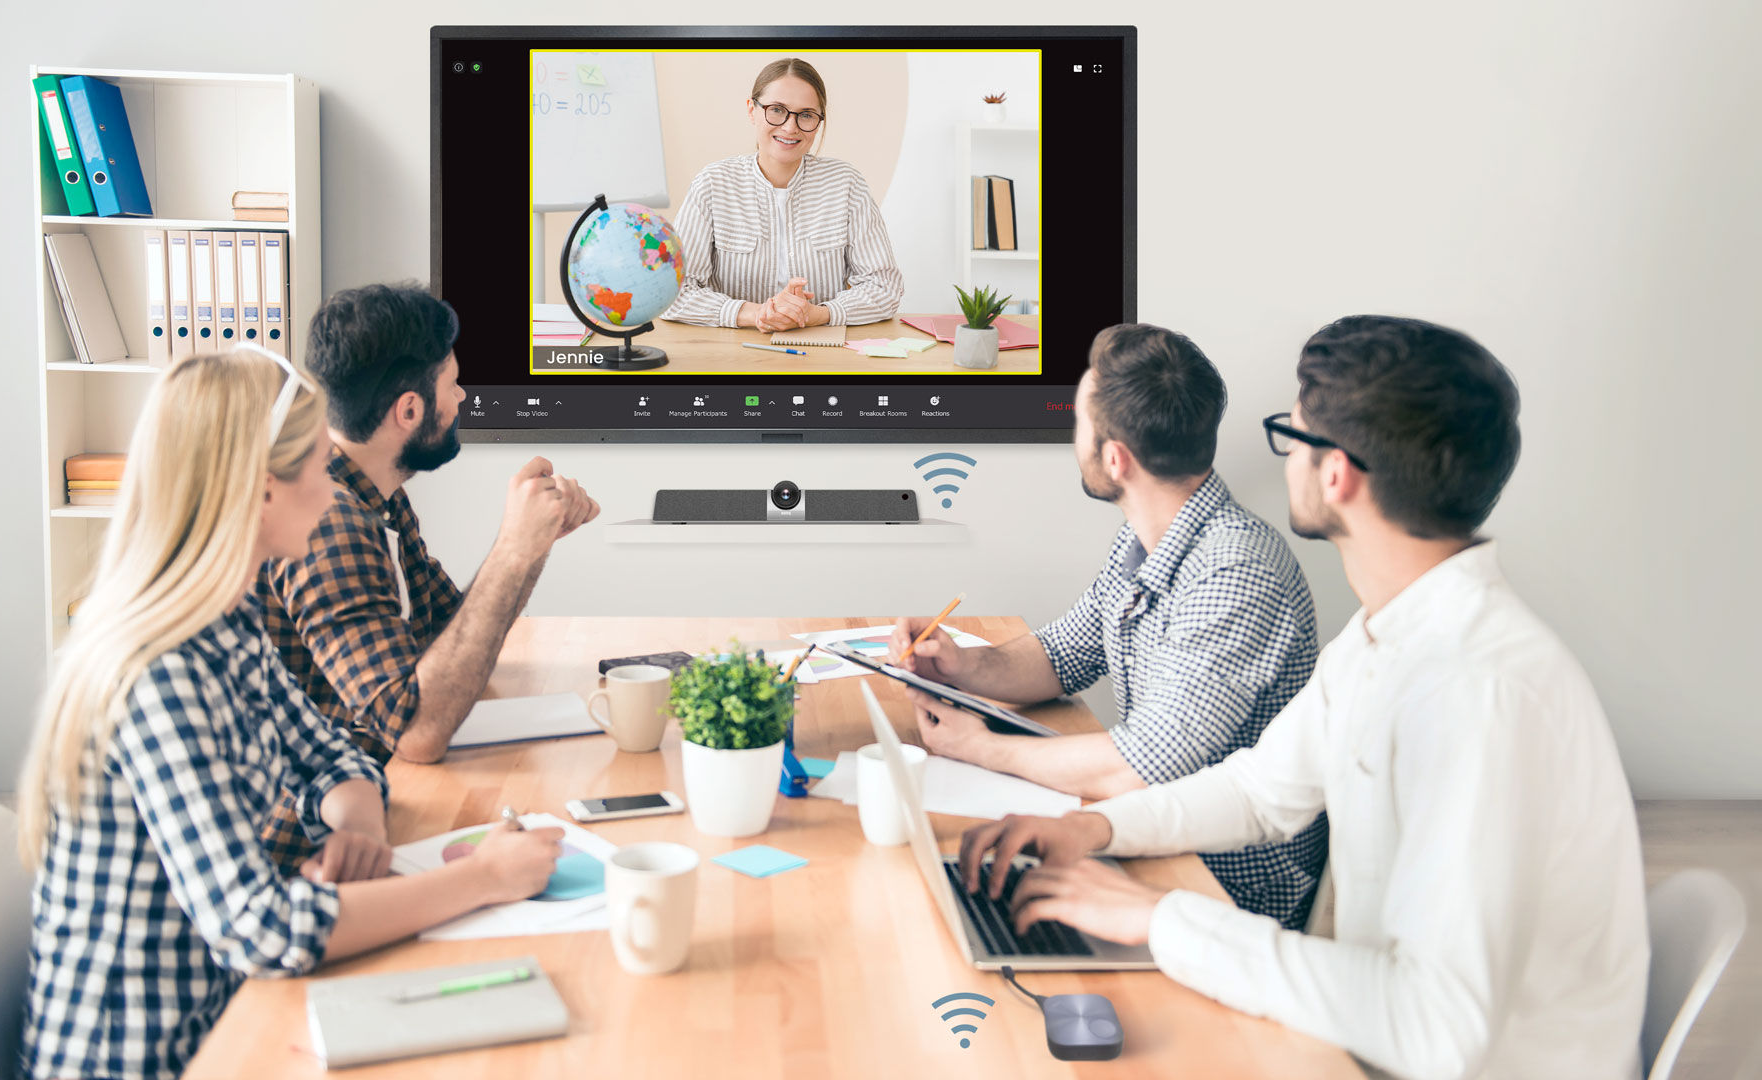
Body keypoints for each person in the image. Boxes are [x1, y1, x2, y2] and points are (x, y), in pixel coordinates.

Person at [960, 316, 1648, 1079]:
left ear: (1336, 475)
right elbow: (1261, 792)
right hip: (1364, 1019)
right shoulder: (1386, 635)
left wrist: (1159, 918)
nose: (1280, 455)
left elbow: (1438, 1033)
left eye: (1292, 433)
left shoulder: (1479, 693)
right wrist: (1092, 833)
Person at [16, 347, 566, 1080]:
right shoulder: (161, 670)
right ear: (261, 491)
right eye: (315, 465)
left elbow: (328, 754)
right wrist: (485, 878)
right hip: (163, 1054)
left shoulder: (226, 615)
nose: (333, 491)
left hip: (229, 1011)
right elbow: (262, 929)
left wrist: (360, 831)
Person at [894, 323, 1327, 928]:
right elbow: (1064, 654)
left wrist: (980, 748)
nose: (1074, 439)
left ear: (1115, 459)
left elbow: (1140, 765)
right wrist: (964, 667)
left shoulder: (1235, 572)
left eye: (1078, 423)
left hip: (1220, 889)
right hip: (1146, 838)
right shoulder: (1148, 538)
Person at [256, 283, 598, 872]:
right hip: (314, 850)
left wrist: (535, 540)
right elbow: (415, 731)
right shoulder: (333, 523)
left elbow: (452, 631)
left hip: (368, 802)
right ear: (409, 411)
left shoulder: (379, 498)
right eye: (452, 385)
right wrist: (513, 551)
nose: (463, 396)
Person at [660, 57, 905, 331]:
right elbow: (672, 293)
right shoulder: (712, 184)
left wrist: (819, 314)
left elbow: (885, 287)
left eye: (806, 115)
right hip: (733, 353)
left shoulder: (846, 184)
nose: (790, 127)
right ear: (752, 110)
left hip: (820, 352)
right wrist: (757, 314)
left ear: (819, 120)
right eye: (776, 110)